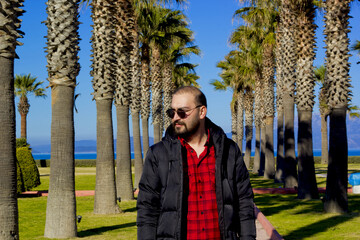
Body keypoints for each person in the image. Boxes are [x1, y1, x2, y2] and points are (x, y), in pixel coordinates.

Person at [137, 86, 256, 240]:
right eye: (171, 112)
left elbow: (244, 202)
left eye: (182, 112)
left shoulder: (229, 150)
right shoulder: (158, 154)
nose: (175, 118)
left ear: (202, 112)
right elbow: (147, 209)